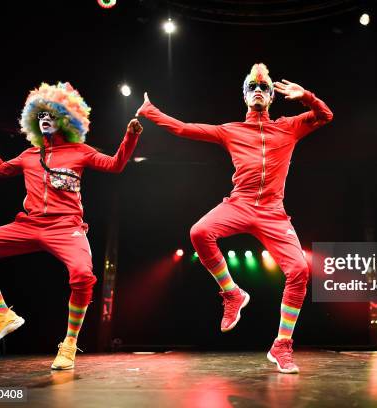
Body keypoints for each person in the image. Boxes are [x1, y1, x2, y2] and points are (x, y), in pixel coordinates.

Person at [136, 63, 333, 373]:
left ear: (271, 98)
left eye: (265, 88)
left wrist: (306, 96)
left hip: (273, 213)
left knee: (299, 270)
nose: (259, 90)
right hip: (239, 204)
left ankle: (281, 346)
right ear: (244, 96)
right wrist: (150, 111)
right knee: (200, 232)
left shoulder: (289, 126)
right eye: (252, 88)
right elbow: (184, 128)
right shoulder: (231, 131)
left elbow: (326, 116)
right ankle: (232, 293)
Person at [0, 82, 143, 369]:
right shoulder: (28, 155)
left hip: (65, 227)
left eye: (53, 114)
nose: (46, 118)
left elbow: (115, 165)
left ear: (67, 120)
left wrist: (130, 138)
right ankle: (1, 314)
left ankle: (69, 343)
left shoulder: (80, 151)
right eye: (41, 115)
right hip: (29, 225)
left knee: (83, 274)